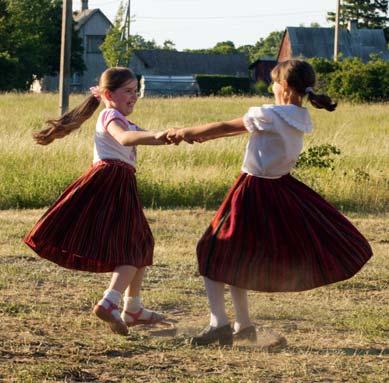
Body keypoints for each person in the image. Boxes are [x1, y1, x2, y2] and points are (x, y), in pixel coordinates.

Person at [165, 59, 373, 346]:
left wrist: (187, 132)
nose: (272, 86)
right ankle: (243, 325)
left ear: (284, 87)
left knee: (211, 249)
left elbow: (226, 125)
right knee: (237, 255)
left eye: (274, 81)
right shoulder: (297, 115)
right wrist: (199, 136)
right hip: (279, 189)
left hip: (252, 191)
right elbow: (237, 130)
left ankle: (219, 324)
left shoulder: (270, 114)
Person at [24, 67, 171, 336]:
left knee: (141, 243)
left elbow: (143, 135)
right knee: (132, 249)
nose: (134, 96)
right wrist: (161, 135)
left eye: (135, 91)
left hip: (117, 181)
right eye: (127, 91)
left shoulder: (121, 118)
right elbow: (125, 138)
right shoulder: (110, 115)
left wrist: (176, 135)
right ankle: (111, 302)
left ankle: (133, 307)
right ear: (107, 94)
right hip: (112, 181)